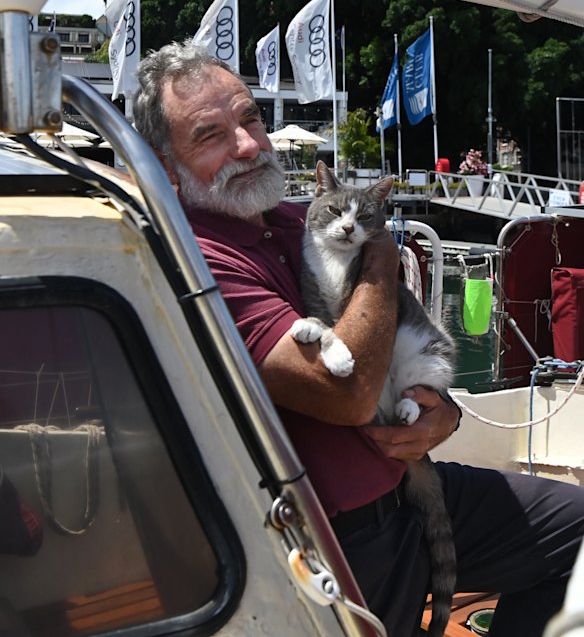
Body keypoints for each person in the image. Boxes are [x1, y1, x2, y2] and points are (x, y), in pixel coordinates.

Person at [133, 39, 584, 637]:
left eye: (250, 118)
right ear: (165, 165)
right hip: (333, 533)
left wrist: (442, 413)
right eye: (211, 135)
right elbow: (341, 392)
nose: (247, 145)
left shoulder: (298, 218)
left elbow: (405, 339)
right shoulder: (193, 260)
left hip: (408, 481)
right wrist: (380, 260)